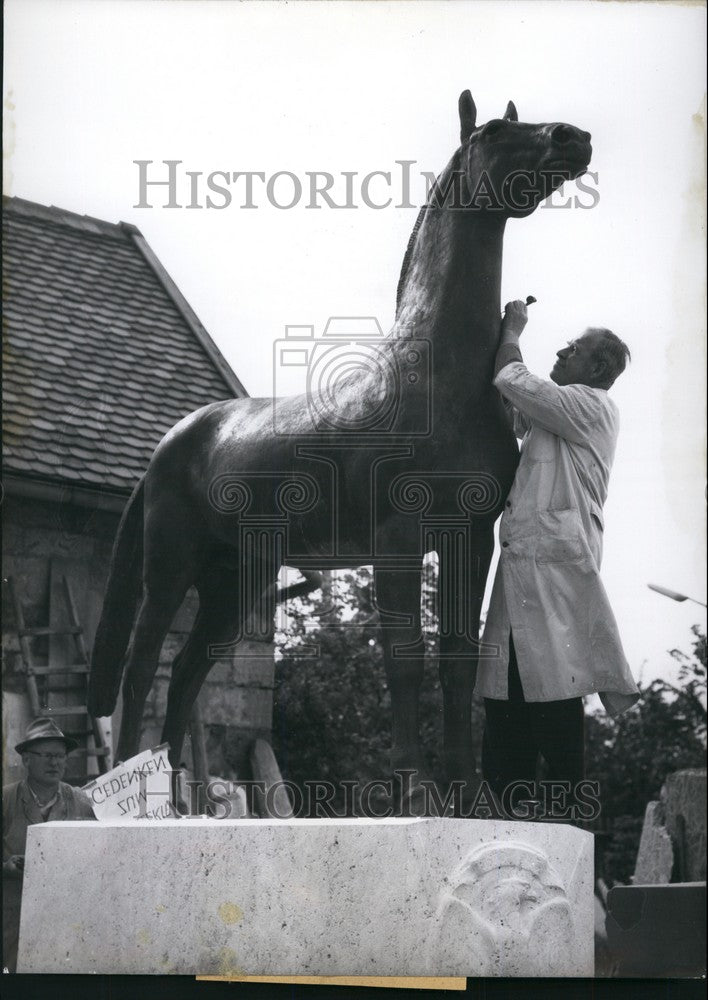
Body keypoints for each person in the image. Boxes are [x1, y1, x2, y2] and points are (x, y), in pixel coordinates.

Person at [475, 300, 640, 819]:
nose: (562, 352)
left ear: (595, 369)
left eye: (575, 349)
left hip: (556, 570)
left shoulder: (590, 406)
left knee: (556, 692)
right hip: (528, 568)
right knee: (510, 697)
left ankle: (571, 827)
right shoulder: (559, 416)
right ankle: (508, 820)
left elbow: (510, 375)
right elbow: (513, 407)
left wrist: (511, 328)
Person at [2, 718, 96, 972]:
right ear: (26, 759)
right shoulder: (6, 800)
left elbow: (98, 857)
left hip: (66, 919)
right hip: (15, 921)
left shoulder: (80, 802)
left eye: (60, 755)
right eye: (46, 755)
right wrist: (5, 867)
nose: (55, 762)